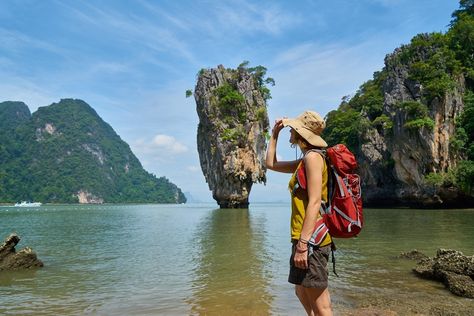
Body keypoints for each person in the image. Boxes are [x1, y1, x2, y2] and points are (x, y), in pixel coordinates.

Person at [265, 110, 333, 316]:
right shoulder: (306, 159)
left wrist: (303, 245)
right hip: (303, 238)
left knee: (321, 305)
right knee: (301, 290)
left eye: (293, 129)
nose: (290, 131)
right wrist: (274, 134)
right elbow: (271, 164)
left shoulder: (313, 158)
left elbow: (314, 202)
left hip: (311, 240)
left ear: (302, 133)